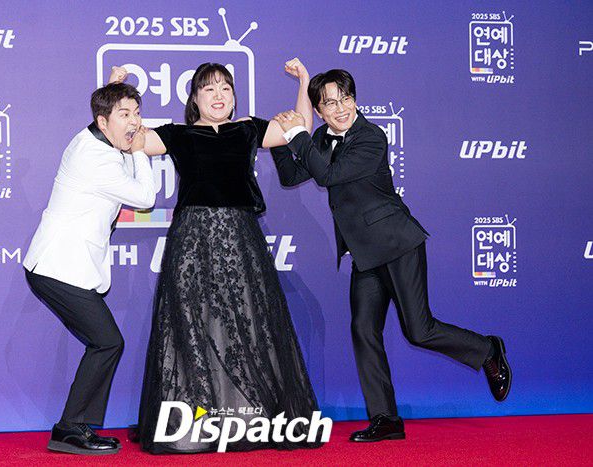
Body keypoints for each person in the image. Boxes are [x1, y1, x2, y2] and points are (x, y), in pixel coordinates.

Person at [270, 69, 512, 442]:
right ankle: (385, 418)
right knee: (363, 330)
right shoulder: (319, 137)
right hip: (364, 254)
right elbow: (291, 176)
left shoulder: (371, 136)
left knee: (419, 330)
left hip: (398, 244)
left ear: (355, 100)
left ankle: (487, 349)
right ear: (318, 111)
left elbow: (329, 175)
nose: (341, 108)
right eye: (330, 103)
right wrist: (281, 138)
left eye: (346, 99)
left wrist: (297, 135)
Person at [133, 59, 322, 453]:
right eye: (209, 89)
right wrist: (116, 90)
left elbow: (299, 127)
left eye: (225, 88)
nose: (218, 95)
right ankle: (194, 424)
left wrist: (304, 82)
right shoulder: (178, 134)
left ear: (234, 97)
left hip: (241, 239)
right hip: (192, 241)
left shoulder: (248, 129)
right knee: (193, 324)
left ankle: (248, 419)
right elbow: (128, 139)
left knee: (248, 323)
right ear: (195, 99)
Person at [23, 80, 155, 455]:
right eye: (125, 115)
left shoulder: (92, 141)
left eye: (137, 113)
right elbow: (145, 197)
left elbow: (114, 129)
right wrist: (141, 152)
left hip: (61, 266)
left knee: (105, 342)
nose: (135, 122)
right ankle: (69, 429)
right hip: (58, 267)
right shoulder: (96, 158)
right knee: (107, 342)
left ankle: (73, 426)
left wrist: (115, 89)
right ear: (103, 121)